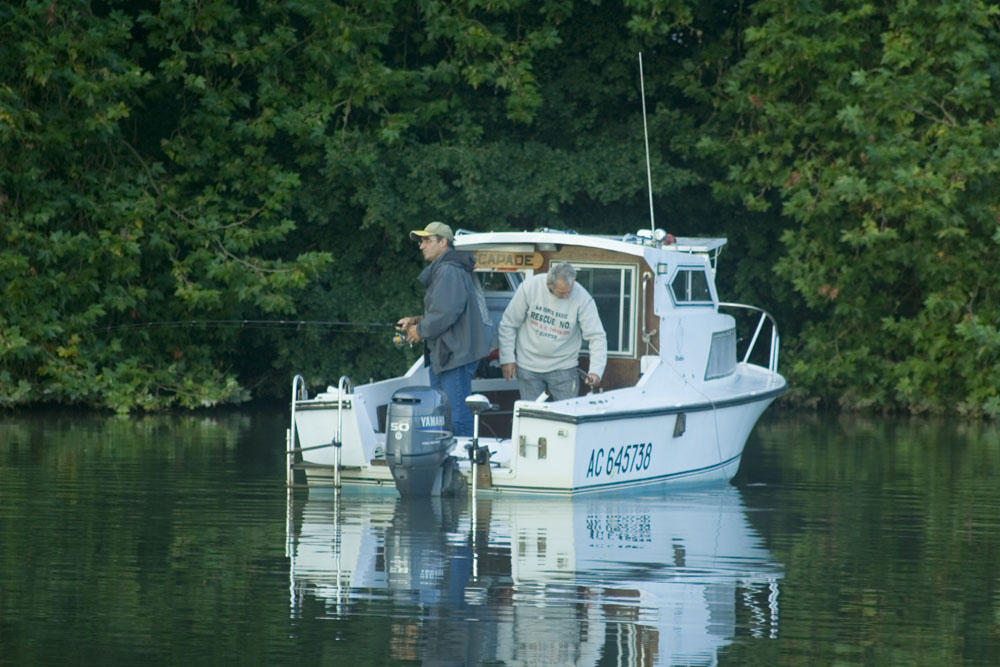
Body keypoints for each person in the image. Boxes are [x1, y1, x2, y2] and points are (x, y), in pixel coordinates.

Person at [396, 221, 492, 437]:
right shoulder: (446, 269)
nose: (422, 246)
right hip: (447, 354)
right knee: (444, 413)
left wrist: (419, 331)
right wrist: (416, 320)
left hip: (454, 355)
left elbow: (446, 312)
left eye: (427, 241)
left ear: (443, 242)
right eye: (421, 241)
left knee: (456, 415)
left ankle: (464, 462)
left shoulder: (448, 270)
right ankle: (450, 458)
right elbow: (445, 310)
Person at [498, 262, 607, 401]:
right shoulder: (529, 288)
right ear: (549, 285)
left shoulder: (582, 297)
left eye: (570, 290)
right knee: (532, 418)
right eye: (562, 293)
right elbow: (508, 323)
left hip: (564, 368)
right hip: (528, 367)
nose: (567, 296)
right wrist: (507, 359)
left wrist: (596, 371)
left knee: (566, 417)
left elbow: (596, 336)